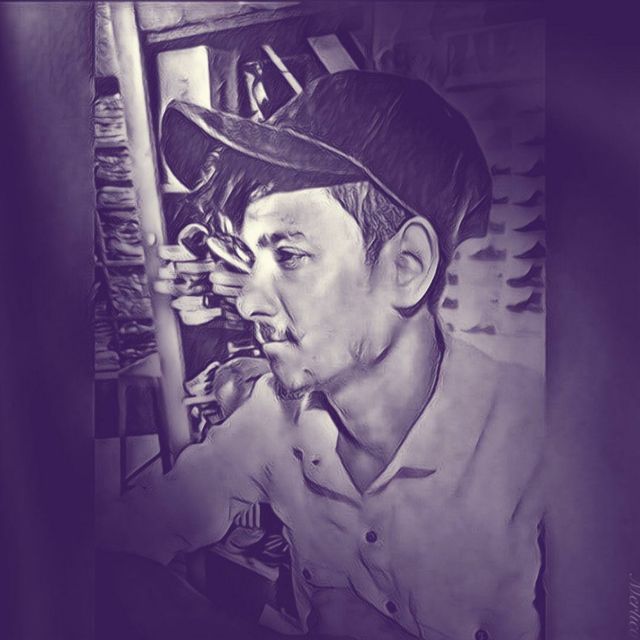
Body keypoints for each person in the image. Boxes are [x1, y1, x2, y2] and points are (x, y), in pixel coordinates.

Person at [98, 70, 545, 640]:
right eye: (249, 259)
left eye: (288, 255)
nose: (249, 301)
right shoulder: (274, 417)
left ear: (405, 267)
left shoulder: (539, 443)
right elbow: (117, 541)